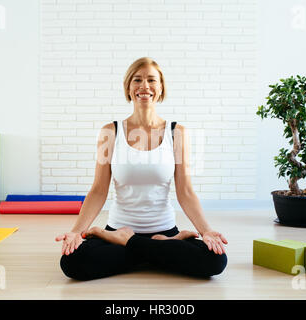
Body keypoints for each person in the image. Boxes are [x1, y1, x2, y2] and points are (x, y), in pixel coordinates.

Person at [55, 57, 228, 281]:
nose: (144, 86)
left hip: (162, 230)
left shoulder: (177, 133)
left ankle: (131, 243)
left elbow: (185, 192)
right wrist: (77, 232)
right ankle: (160, 250)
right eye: (137, 80)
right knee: (72, 262)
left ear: (161, 88)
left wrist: (206, 231)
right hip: (116, 228)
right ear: (128, 88)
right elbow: (98, 190)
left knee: (215, 260)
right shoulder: (110, 131)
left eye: (151, 80)